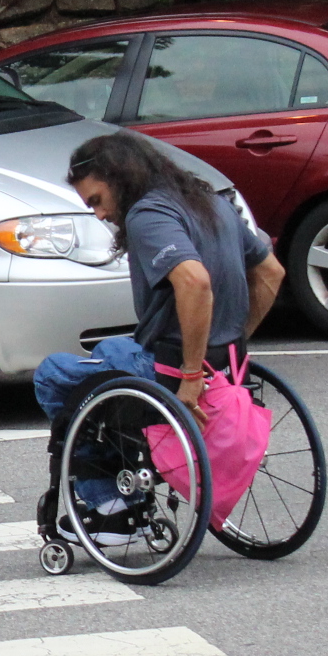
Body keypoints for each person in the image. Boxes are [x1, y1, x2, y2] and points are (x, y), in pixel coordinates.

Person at [31, 130, 284, 544]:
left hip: (167, 367)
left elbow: (194, 281)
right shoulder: (213, 202)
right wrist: (227, 344)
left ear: (120, 177)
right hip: (222, 363)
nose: (97, 214)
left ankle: (111, 508)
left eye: (96, 200)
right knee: (109, 349)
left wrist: (191, 372)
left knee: (53, 374)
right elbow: (272, 273)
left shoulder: (146, 215)